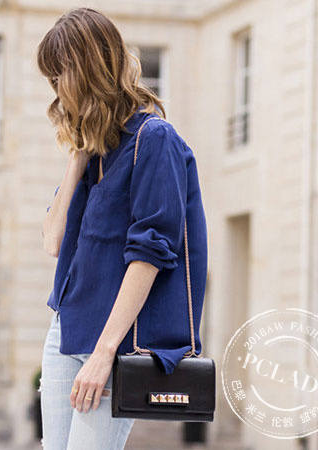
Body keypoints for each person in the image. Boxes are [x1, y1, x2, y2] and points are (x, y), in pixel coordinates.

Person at [36, 7, 209, 450]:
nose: (56, 88)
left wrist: (104, 353)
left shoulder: (154, 140)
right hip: (66, 330)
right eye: (51, 78)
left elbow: (150, 255)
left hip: (114, 342)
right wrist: (77, 156)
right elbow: (53, 241)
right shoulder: (94, 150)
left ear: (91, 67)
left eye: (61, 74)